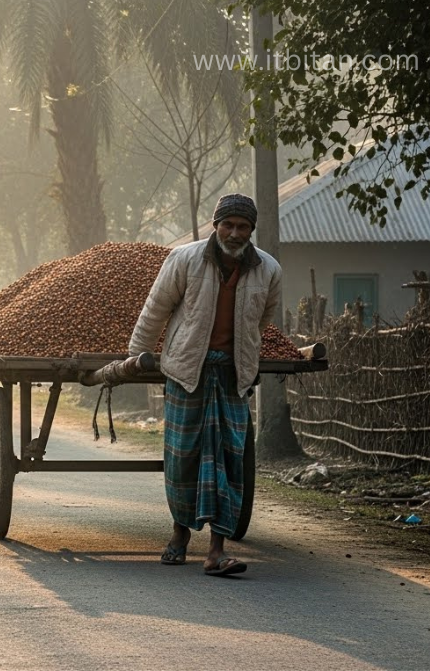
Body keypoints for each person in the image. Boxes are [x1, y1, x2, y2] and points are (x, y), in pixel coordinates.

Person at [128, 193, 281, 577]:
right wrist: (137, 354)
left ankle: (216, 550)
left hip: (232, 376)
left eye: (242, 226)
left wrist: (243, 352)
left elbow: (262, 321)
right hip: (186, 372)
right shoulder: (185, 259)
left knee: (229, 461)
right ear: (215, 225)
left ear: (251, 231)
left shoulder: (268, 270)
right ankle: (179, 536)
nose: (234, 232)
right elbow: (157, 307)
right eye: (227, 224)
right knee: (183, 458)